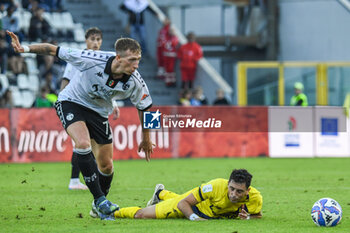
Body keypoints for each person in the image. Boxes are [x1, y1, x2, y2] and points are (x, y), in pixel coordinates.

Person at [7, 30, 155, 218]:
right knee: (83, 144)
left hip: (99, 112)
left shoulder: (136, 81)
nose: (136, 65)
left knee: (107, 166)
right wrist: (24, 48)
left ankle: (97, 206)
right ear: (118, 57)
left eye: (138, 60)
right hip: (71, 102)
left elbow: (147, 107)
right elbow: (53, 50)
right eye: (132, 60)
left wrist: (147, 138)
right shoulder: (92, 59)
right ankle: (100, 199)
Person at [60, 27, 118, 191]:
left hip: (95, 109)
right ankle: (74, 180)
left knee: (90, 147)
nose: (96, 43)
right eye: (92, 39)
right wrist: (64, 104)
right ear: (86, 40)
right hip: (76, 106)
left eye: (98, 39)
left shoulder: (105, 60)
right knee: (82, 144)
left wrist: (114, 104)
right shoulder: (78, 57)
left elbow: (104, 88)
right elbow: (65, 82)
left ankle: (83, 181)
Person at [106, 169, 262, 221]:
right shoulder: (214, 186)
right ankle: (110, 212)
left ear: (248, 191)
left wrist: (248, 217)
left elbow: (258, 215)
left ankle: (160, 193)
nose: (234, 194)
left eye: (239, 191)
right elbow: (183, 203)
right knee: (142, 215)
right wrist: (195, 218)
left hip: (204, 211)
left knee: (177, 198)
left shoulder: (255, 198)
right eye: (231, 189)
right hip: (192, 208)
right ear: (227, 184)